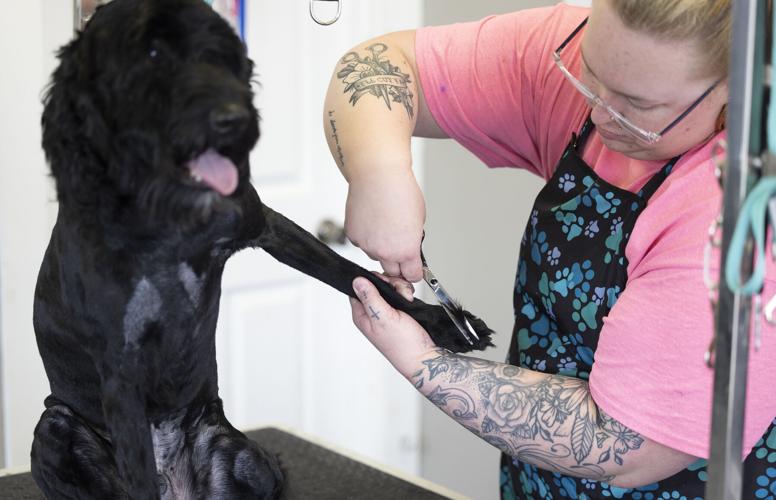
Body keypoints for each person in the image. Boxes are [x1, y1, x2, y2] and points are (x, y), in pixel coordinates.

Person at [323, 0, 776, 497]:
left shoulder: (745, 203)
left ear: (743, 84)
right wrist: (380, 174)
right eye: (590, 71)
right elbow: (381, 66)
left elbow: (626, 444)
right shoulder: (588, 47)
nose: (599, 111)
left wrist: (427, 363)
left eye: (638, 105)